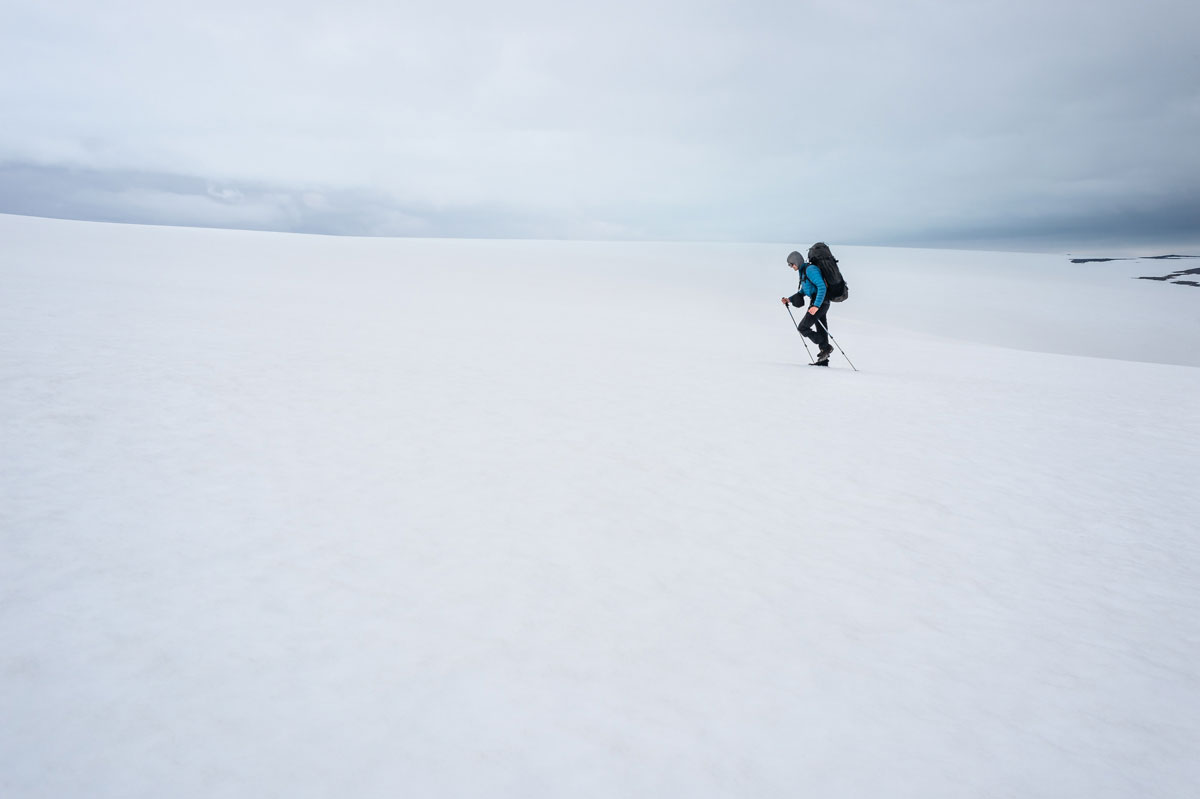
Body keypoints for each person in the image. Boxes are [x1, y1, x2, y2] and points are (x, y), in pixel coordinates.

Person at [781, 250, 834, 363]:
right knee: (821, 328)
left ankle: (826, 346)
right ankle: (823, 360)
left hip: (820, 303)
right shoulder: (803, 272)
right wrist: (789, 300)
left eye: (791, 264)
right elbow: (803, 292)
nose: (791, 267)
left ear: (797, 261)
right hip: (820, 303)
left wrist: (816, 306)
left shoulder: (810, 270)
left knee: (803, 327)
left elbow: (822, 287)